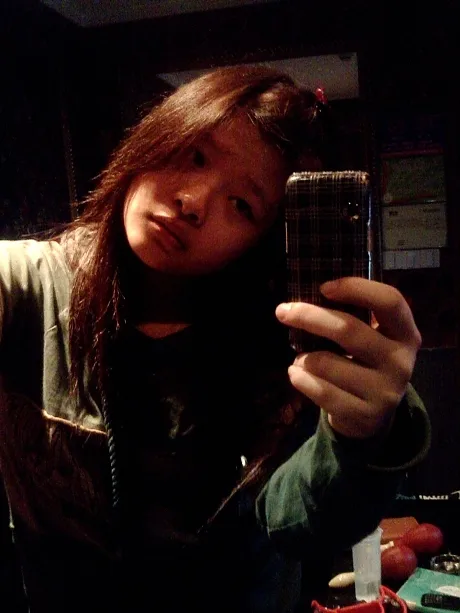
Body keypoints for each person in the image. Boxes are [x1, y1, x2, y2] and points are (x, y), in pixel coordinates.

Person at [0, 66, 429, 613]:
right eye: (196, 155)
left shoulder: (284, 350)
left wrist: (360, 437)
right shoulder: (35, 286)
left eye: (242, 205)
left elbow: (296, 523)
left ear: (261, 241)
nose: (194, 202)